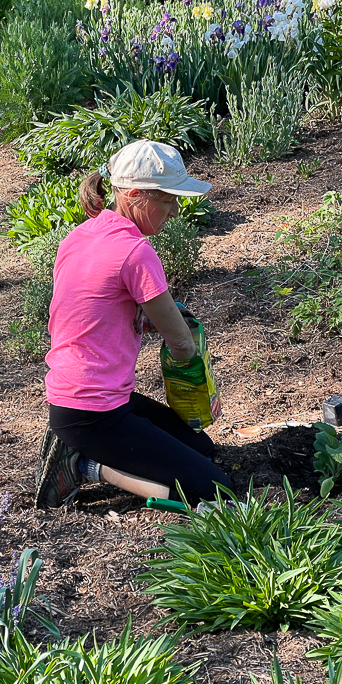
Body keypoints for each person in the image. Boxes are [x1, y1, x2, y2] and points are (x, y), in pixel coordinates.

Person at [35, 139, 233, 509]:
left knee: (203, 449)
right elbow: (183, 345)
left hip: (81, 399)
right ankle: (85, 465)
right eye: (168, 200)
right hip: (93, 412)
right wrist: (191, 370)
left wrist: (147, 320)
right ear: (137, 195)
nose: (175, 211)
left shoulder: (80, 236)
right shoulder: (135, 252)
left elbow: (94, 312)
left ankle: (80, 448)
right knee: (215, 491)